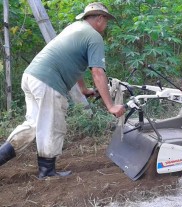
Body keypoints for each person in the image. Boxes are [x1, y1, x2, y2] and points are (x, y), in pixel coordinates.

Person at [0, 2, 125, 179]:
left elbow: (74, 63)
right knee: (53, 126)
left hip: (31, 76)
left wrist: (83, 89)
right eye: (106, 21)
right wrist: (111, 106)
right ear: (99, 18)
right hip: (48, 82)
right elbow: (98, 72)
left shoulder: (75, 28)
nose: (106, 25)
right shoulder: (94, 36)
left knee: (34, 125)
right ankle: (47, 172)